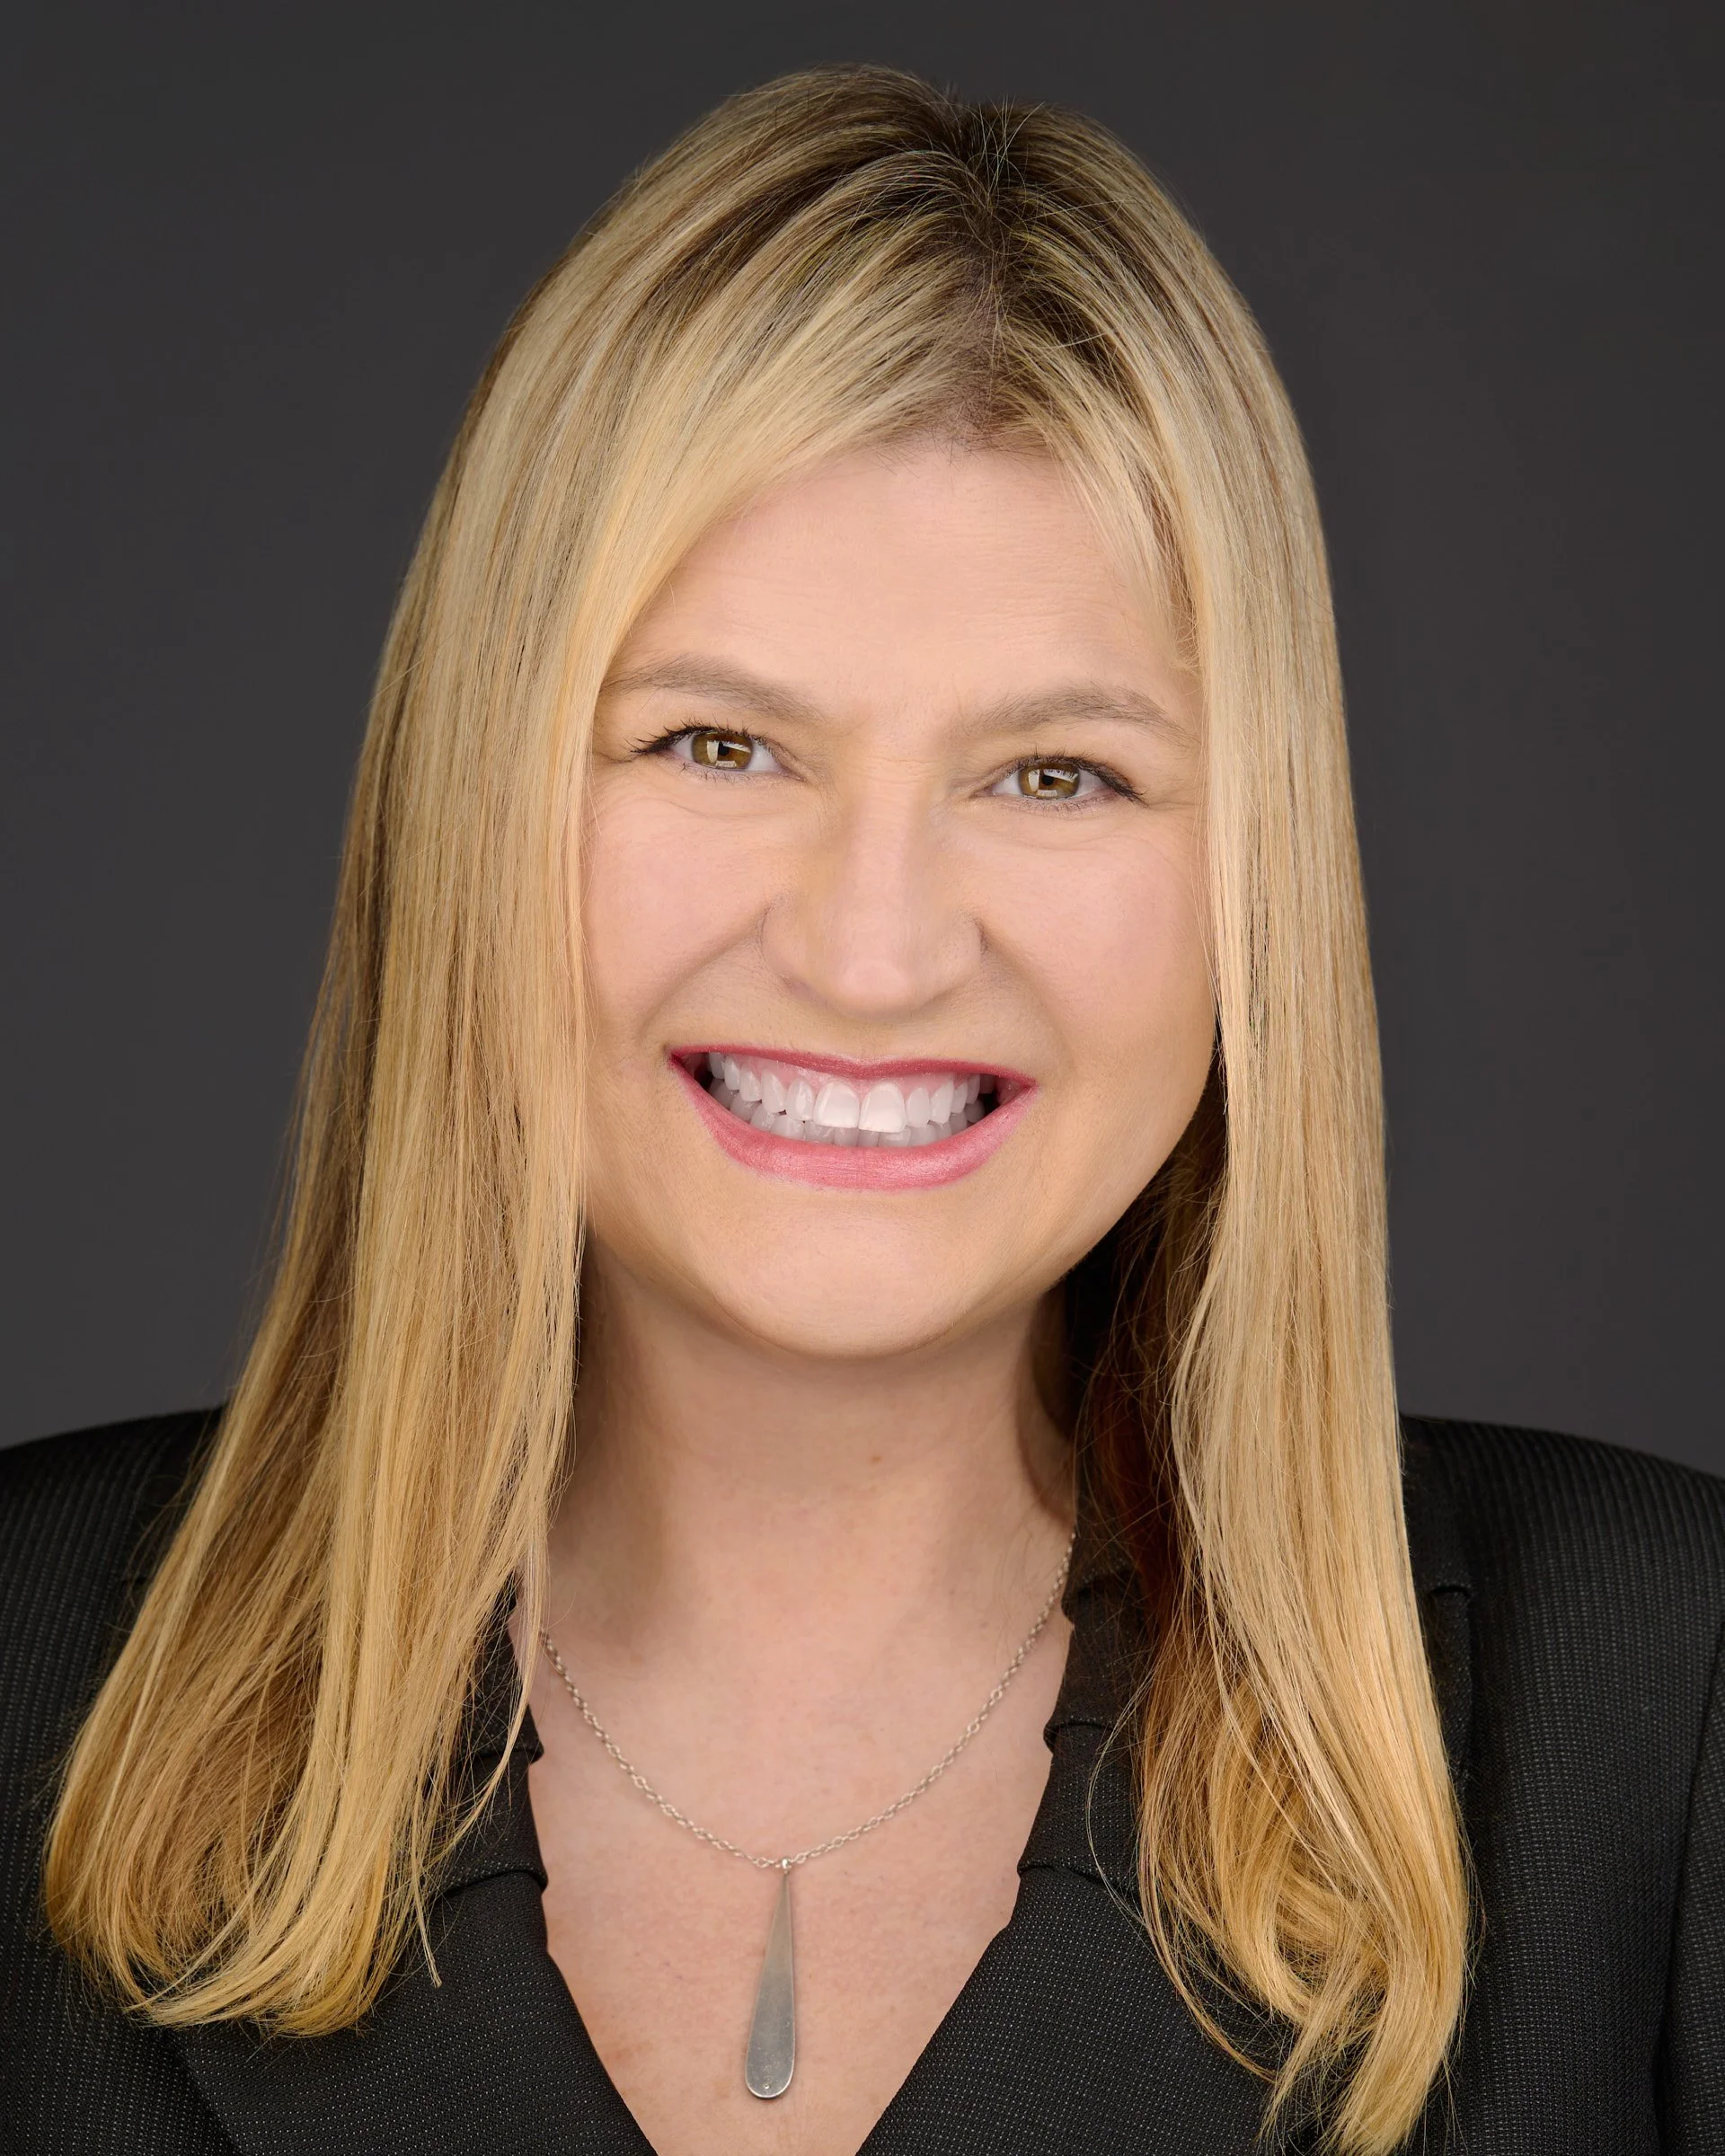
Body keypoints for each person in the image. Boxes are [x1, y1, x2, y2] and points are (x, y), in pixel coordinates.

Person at [2, 66, 1721, 2156]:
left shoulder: (1652, 1710)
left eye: (1054, 774)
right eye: (719, 744)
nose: (877, 948)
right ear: (473, 811)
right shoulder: (17, 1670)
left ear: (1251, 890)